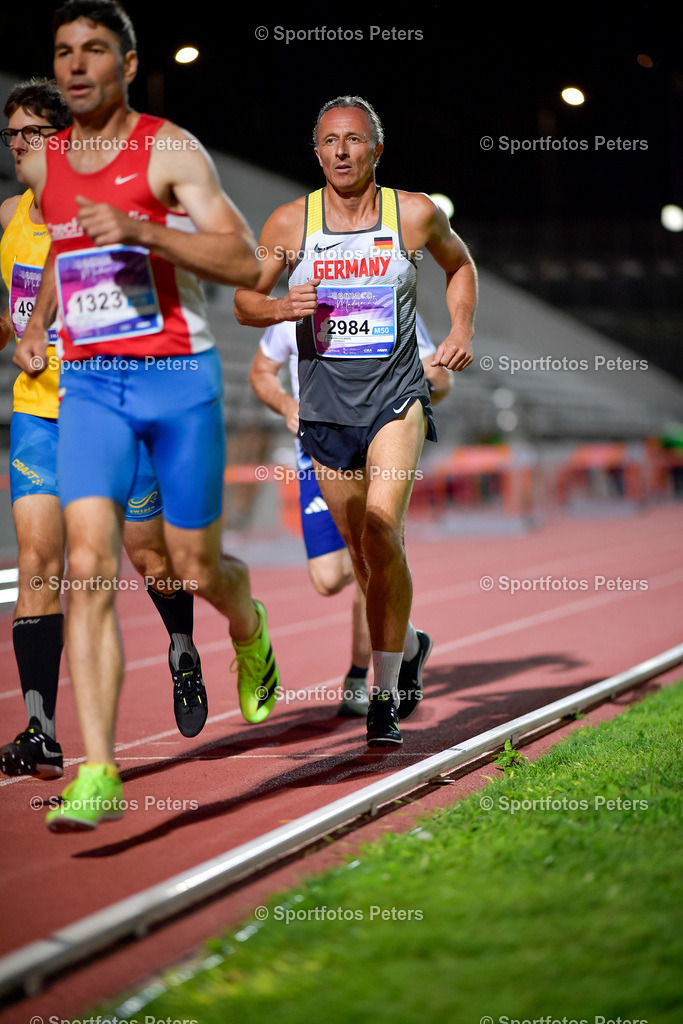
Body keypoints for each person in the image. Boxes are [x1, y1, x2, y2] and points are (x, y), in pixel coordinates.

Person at [15, 1, 279, 831]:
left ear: (127, 64)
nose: (76, 65)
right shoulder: (47, 163)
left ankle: (247, 624)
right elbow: (60, 249)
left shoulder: (169, 149)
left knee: (193, 566)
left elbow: (245, 261)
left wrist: (142, 230)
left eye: (94, 49)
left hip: (176, 379)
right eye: (64, 51)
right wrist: (36, 324)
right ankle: (99, 769)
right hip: (91, 386)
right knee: (89, 565)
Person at [235, 95, 477, 747]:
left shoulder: (413, 214)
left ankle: (383, 695)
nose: (341, 151)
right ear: (316, 152)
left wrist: (459, 329)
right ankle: (411, 643)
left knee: (381, 531)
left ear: (376, 148)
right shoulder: (290, 222)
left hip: (395, 400)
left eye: (353, 139)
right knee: (360, 559)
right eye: (329, 141)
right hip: (323, 412)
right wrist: (281, 307)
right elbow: (243, 300)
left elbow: (459, 265)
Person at [0, 78, 209, 784]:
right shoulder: (9, 217)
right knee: (38, 561)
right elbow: (13, 315)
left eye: (33, 133)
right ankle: (41, 731)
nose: (19, 145)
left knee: (149, 558)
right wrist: (18, 333)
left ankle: (182, 645)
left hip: (113, 408)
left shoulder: (102, 211)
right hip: (39, 411)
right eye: (11, 134)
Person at [249, 314, 452, 717]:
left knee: (371, 547)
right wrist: (289, 407)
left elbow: (440, 378)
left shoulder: (390, 296)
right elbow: (260, 372)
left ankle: (362, 677)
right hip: (318, 448)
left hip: (377, 440)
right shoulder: (296, 307)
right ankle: (411, 641)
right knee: (327, 578)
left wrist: (404, 397)